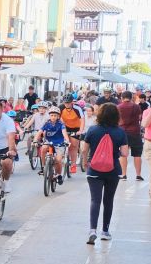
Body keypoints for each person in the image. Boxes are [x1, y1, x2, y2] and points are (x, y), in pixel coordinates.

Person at [80, 103, 129, 244]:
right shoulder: (120, 132)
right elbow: (125, 153)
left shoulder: (92, 130)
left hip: (94, 170)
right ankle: (105, 231)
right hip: (113, 170)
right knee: (108, 201)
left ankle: (92, 230)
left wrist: (85, 162)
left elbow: (84, 150)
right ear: (116, 116)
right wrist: (114, 152)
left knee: (95, 200)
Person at [117, 91, 144, 181]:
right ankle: (138, 175)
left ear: (122, 97)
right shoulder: (136, 107)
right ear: (131, 97)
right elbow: (140, 117)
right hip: (135, 132)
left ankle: (124, 174)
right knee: (137, 154)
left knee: (123, 154)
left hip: (122, 132)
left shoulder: (119, 107)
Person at [38, 108, 69, 179]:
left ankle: (59, 174)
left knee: (58, 160)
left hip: (59, 144)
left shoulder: (61, 124)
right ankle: (43, 167)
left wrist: (67, 141)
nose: (53, 117)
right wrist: (35, 141)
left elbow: (64, 133)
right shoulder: (47, 123)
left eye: (55, 115)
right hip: (49, 143)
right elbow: (39, 132)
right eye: (51, 115)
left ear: (58, 116)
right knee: (43, 148)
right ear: (49, 116)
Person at [58, 95, 85, 173]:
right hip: (65, 127)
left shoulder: (77, 108)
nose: (67, 104)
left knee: (73, 146)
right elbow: (56, 117)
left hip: (75, 128)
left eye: (69, 103)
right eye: (65, 103)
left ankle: (73, 165)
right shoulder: (61, 107)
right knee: (61, 143)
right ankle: (61, 157)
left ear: (72, 102)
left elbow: (82, 120)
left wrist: (80, 130)